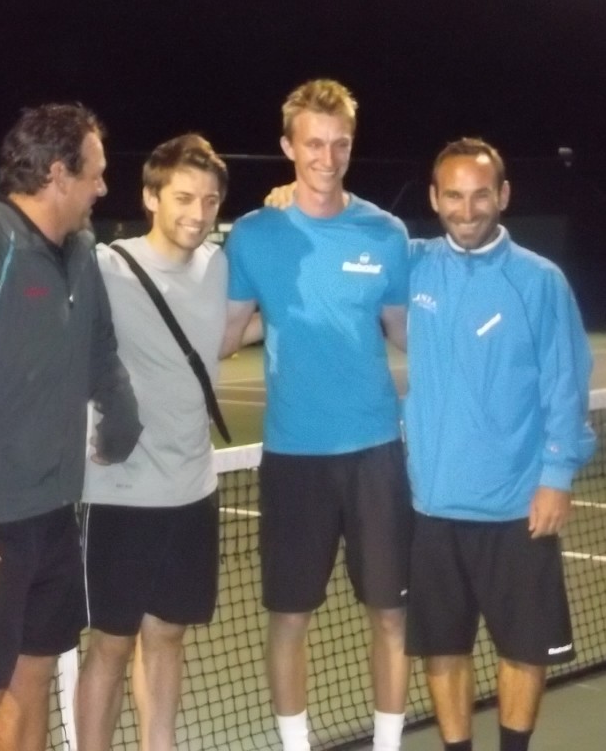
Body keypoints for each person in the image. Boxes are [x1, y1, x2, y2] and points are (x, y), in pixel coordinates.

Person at [0, 102, 141, 751]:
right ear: (57, 175)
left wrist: (122, 420)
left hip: (54, 512)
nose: (103, 187)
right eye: (94, 174)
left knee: (35, 676)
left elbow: (100, 350)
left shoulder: (81, 254)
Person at [222, 79, 412, 751]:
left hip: (376, 454)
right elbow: (219, 334)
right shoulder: (253, 234)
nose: (326, 157)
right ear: (288, 146)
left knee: (390, 613)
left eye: (339, 144)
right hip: (294, 458)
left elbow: (405, 331)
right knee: (289, 617)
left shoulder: (386, 234)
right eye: (313, 143)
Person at [403, 138, 596, 751]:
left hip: (518, 507)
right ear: (434, 199)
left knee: (523, 648)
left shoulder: (539, 282)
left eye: (480, 193)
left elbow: (566, 383)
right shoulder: (412, 265)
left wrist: (557, 476)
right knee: (443, 648)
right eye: (453, 195)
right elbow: (343, 236)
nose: (467, 208)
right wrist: (284, 199)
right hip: (432, 509)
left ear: (503, 195)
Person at [77, 133, 242, 751]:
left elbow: (224, 335)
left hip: (192, 490)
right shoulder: (106, 266)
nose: (197, 213)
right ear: (149, 196)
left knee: (168, 635)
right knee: (112, 645)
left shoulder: (220, 266)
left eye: (208, 200)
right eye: (181, 198)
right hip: (119, 493)